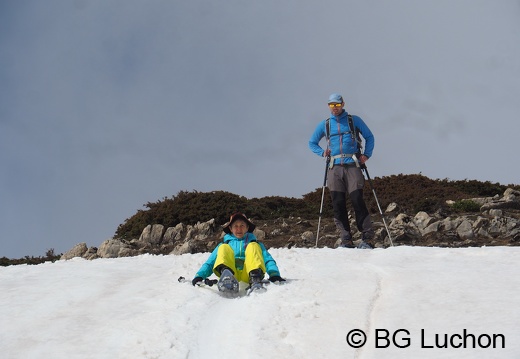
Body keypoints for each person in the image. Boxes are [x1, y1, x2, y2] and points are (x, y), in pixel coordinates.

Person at [309, 93, 375, 249]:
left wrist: (366, 154)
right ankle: (346, 240)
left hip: (352, 164)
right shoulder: (325, 125)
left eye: (337, 105)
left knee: (357, 199)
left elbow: (369, 136)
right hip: (334, 167)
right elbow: (312, 142)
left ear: (343, 104)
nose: (335, 108)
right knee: (338, 203)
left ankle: (368, 239)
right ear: (328, 106)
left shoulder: (354, 120)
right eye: (332, 105)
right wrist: (322, 153)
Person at [192, 212, 285, 292]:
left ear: (247, 228)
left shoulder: (254, 243)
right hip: (232, 275)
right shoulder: (225, 244)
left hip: (248, 275)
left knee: (253, 246)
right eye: (235, 226)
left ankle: (255, 279)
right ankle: (227, 278)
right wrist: (199, 275)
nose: (239, 229)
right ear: (231, 229)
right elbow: (210, 262)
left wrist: (274, 274)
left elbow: (267, 260)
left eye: (242, 225)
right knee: (224, 247)